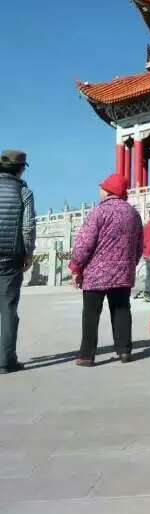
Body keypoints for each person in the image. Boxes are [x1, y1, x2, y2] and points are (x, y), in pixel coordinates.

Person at [69, 173, 143, 366]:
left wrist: (76, 267)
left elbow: (84, 243)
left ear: (109, 190)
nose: (99, 190)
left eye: (102, 187)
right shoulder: (133, 214)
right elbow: (139, 246)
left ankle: (87, 355)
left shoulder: (99, 212)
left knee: (91, 314)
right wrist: (129, 265)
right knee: (121, 311)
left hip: (96, 274)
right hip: (122, 273)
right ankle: (124, 351)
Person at [0, 150, 35, 374]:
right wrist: (28, 253)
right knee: (8, 309)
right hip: (10, 258)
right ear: (20, 169)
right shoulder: (24, 192)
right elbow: (28, 227)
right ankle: (6, 361)